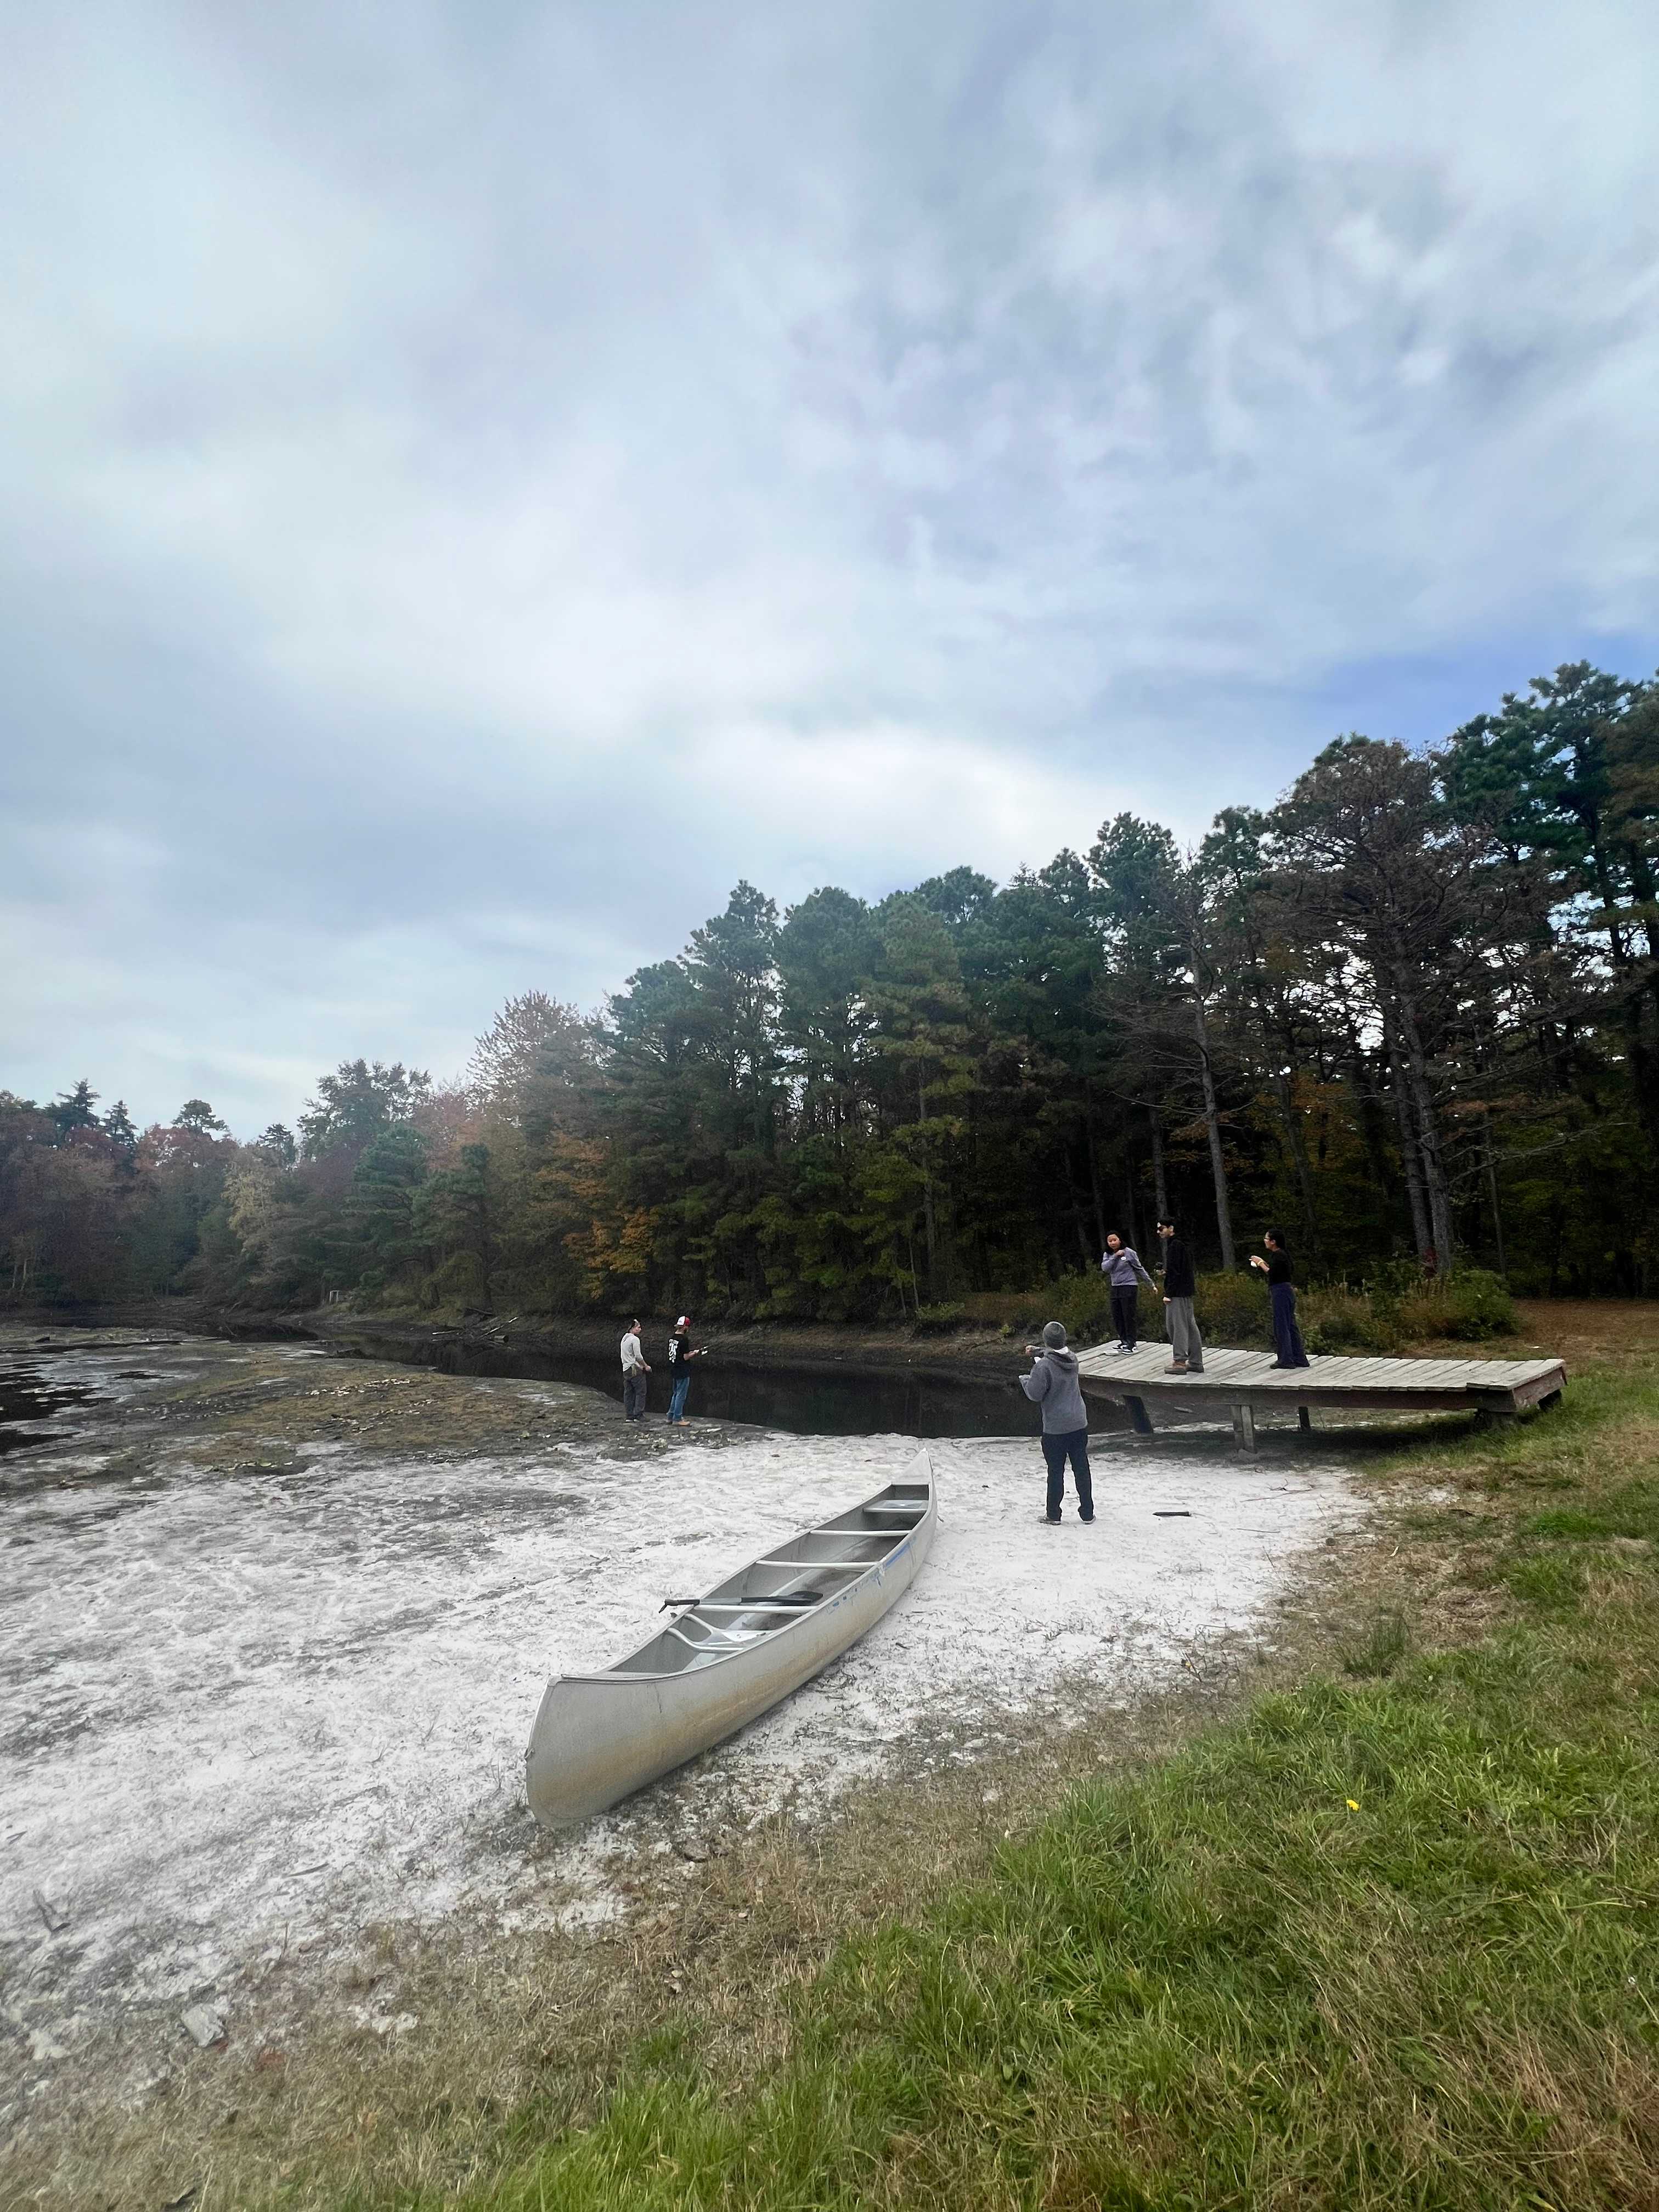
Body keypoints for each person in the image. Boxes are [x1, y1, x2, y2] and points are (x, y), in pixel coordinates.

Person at [1019, 1321, 1094, 1525]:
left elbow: (1035, 1394)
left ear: (1046, 1340)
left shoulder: (1043, 1366)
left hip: (1056, 1428)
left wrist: (1025, 1379)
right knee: (1081, 1468)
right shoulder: (1073, 1359)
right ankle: (1087, 1513)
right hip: (1079, 1423)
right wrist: (1038, 1350)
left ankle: (1054, 1515)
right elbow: (1055, 1352)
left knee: (1055, 1471)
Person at [1249, 1230, 1310, 1368]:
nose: (1264, 1241)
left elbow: (1272, 1274)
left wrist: (1260, 1263)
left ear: (1273, 1241)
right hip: (1287, 1290)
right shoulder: (1284, 1255)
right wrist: (1264, 1263)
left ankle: (1286, 1360)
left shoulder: (1278, 1255)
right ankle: (1299, 1358)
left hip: (1280, 1292)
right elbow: (1280, 1272)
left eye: (1266, 1238)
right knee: (1291, 1325)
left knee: (1282, 1325)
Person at [1156, 1218, 1204, 1373]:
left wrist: (1169, 1293)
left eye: (1162, 1228)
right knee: (1189, 1325)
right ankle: (1196, 1362)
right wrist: (1166, 1273)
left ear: (1171, 1228)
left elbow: (1176, 1272)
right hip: (1185, 1292)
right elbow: (1180, 1270)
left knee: (1177, 1327)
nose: (1159, 1232)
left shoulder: (1175, 1246)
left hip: (1178, 1294)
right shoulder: (1181, 1244)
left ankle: (1180, 1362)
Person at [1099, 1231, 1156, 1352]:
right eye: (1110, 1241)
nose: (1113, 1243)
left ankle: (1132, 1342)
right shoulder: (1108, 1254)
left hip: (1129, 1286)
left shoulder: (1130, 1253)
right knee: (1117, 1315)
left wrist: (1151, 1284)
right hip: (1115, 1287)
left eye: (1115, 1240)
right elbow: (1105, 1268)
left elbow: (1139, 1269)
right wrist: (1115, 1257)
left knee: (1128, 1315)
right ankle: (1124, 1340)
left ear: (1120, 1240)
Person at [666, 1314, 704, 1423]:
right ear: (684, 1327)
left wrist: (692, 1352)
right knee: (681, 1395)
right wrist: (695, 1353)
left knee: (675, 1393)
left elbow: (679, 1354)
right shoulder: (684, 1339)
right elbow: (685, 1357)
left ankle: (670, 1416)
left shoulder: (672, 1338)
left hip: (674, 1368)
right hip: (682, 1370)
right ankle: (677, 1418)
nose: (688, 1328)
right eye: (688, 1326)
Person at [619, 1316, 651, 1419]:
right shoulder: (635, 1339)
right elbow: (638, 1356)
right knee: (641, 1391)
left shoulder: (624, 1338)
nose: (640, 1329)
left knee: (628, 1392)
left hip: (626, 1369)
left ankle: (629, 1415)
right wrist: (645, 1366)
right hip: (634, 1368)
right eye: (638, 1327)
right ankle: (639, 1414)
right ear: (632, 1328)